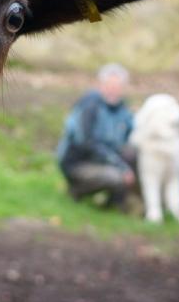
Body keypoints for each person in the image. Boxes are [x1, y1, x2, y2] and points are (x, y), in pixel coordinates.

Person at [56, 63, 137, 207]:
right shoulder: (90, 106)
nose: (113, 90)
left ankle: (118, 203)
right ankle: (76, 190)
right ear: (101, 85)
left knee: (133, 152)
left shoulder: (123, 110)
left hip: (101, 159)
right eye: (109, 85)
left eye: (117, 86)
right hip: (78, 163)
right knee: (116, 177)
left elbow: (129, 136)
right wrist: (120, 166)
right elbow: (87, 143)